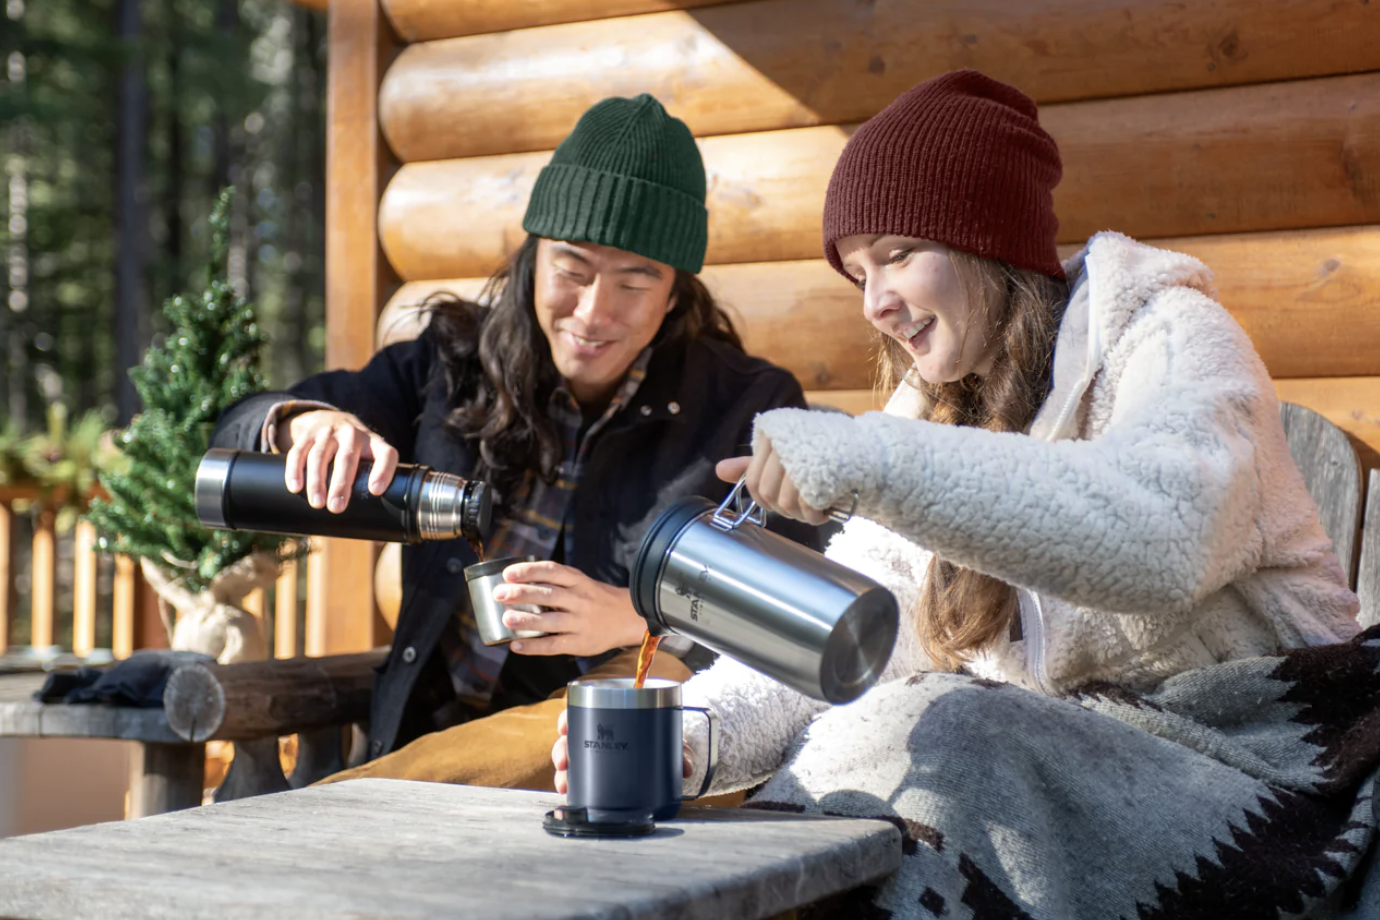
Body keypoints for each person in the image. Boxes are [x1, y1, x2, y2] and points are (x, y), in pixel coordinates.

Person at [553, 72, 1380, 917]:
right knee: (905, 744)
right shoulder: (937, 411)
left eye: (899, 254)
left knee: (950, 730)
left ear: (989, 239)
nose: (875, 303)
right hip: (1065, 792)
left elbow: (1159, 536)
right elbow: (859, 629)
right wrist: (691, 734)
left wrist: (869, 457)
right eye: (857, 272)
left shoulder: (1171, 339)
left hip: (1279, 781)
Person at [212, 93, 818, 785]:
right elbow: (239, 425)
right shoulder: (454, 360)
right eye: (573, 270)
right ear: (533, 258)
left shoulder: (746, 405)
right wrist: (303, 422)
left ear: (676, 292)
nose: (594, 312)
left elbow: (791, 615)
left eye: (634, 281)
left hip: (607, 758)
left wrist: (636, 614)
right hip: (429, 739)